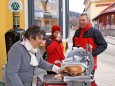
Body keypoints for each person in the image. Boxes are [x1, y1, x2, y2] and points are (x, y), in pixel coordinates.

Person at [73, 12, 107, 86]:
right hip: (77, 63)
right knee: (77, 82)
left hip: (89, 64)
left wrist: (91, 54)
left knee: (88, 83)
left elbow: (103, 45)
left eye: (83, 20)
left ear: (88, 20)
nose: (81, 22)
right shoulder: (77, 32)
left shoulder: (95, 32)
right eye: (80, 20)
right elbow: (74, 46)